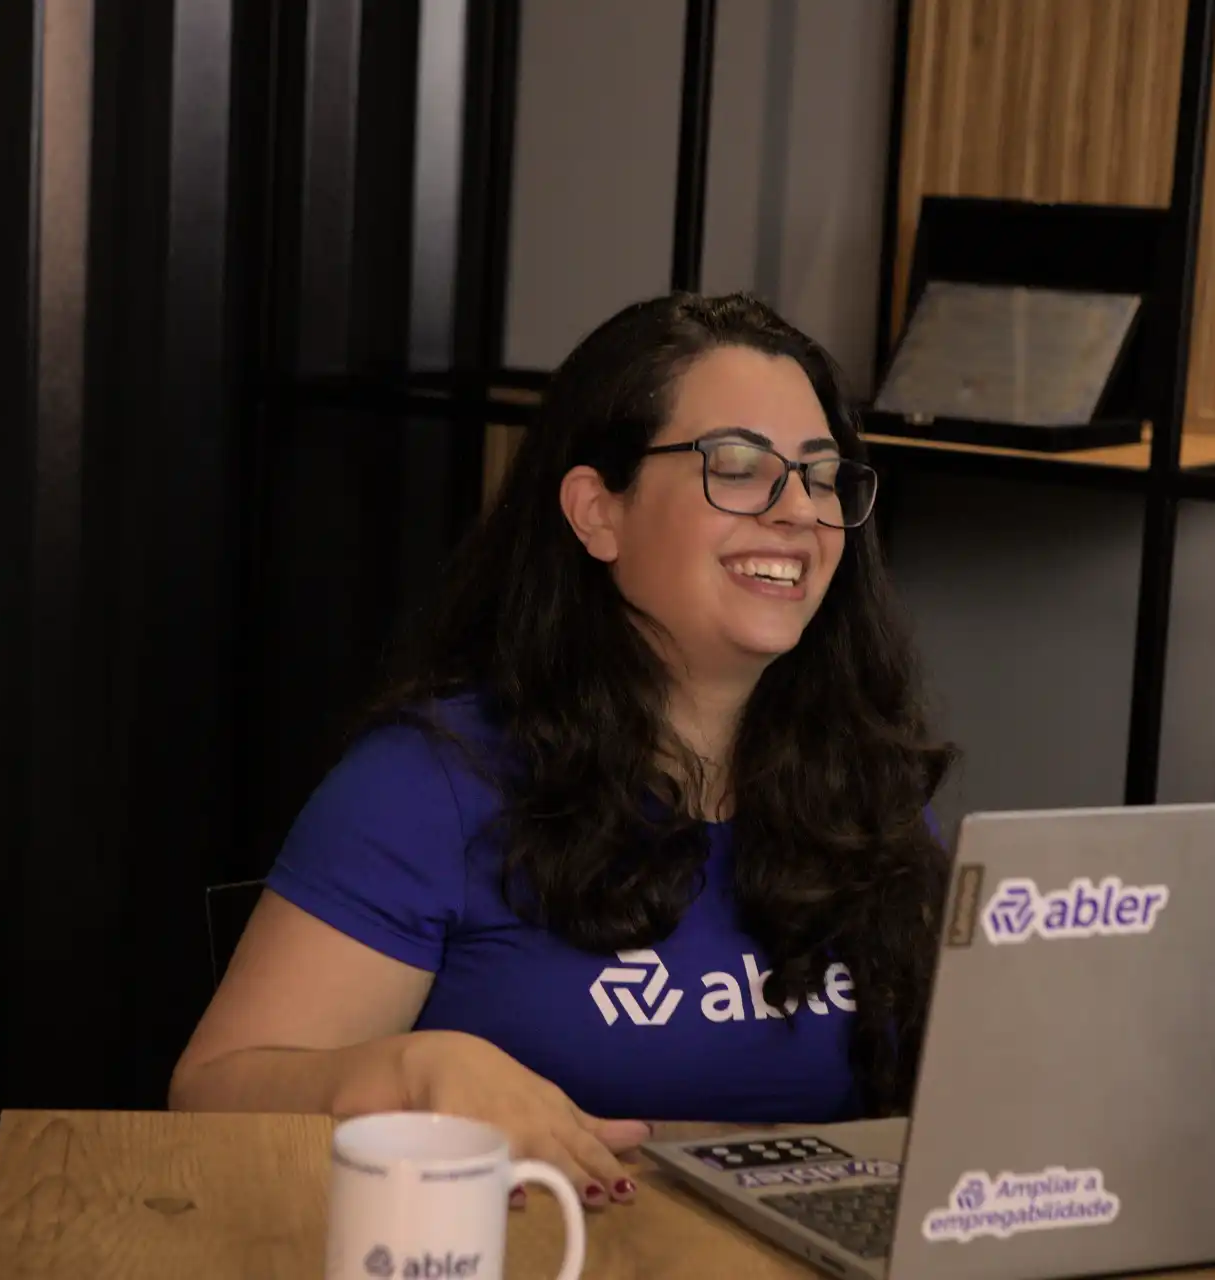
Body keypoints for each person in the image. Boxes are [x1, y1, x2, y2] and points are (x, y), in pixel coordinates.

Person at [170, 292, 955, 1211]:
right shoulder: (431, 780)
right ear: (596, 512)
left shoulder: (872, 790)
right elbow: (210, 1098)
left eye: (822, 477)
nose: (798, 514)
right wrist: (420, 1071)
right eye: (738, 467)